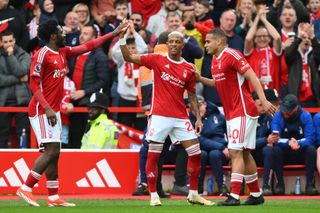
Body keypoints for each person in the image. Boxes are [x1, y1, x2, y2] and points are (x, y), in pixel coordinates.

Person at [16, 19, 127, 207]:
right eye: (61, 31)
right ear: (52, 36)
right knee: (50, 151)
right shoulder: (42, 55)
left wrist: (113, 34)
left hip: (54, 110)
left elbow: (88, 45)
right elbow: (33, 84)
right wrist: (48, 108)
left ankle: (53, 197)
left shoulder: (63, 52)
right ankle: (25, 188)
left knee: (55, 152)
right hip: (42, 110)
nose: (65, 33)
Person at [120, 26, 214, 206]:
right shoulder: (157, 59)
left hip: (180, 116)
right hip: (159, 115)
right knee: (153, 156)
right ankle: (154, 195)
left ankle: (193, 193)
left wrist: (198, 119)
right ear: (167, 44)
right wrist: (122, 39)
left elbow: (192, 95)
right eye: (170, 41)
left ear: (182, 46)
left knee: (196, 154)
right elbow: (129, 57)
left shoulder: (188, 68)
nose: (173, 44)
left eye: (177, 42)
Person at [197, 28, 277, 206]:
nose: (206, 45)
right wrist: (199, 78)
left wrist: (263, 100)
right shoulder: (215, 61)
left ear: (219, 41)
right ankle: (256, 194)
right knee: (245, 153)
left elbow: (252, 76)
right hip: (233, 112)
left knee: (235, 152)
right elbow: (219, 84)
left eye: (208, 41)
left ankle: (234, 196)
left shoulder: (232, 54)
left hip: (242, 110)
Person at [68, 25, 110, 148]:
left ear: (94, 37)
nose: (81, 35)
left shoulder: (99, 56)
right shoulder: (75, 53)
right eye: (81, 33)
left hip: (88, 103)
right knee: (73, 136)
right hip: (73, 102)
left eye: (86, 33)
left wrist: (84, 92)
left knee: (83, 136)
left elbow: (103, 80)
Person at [271, 94, 318, 195]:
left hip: (301, 150)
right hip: (285, 151)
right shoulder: (278, 116)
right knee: (275, 150)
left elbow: (310, 139)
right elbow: (275, 139)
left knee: (311, 150)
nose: (285, 112)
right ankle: (280, 184)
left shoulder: (305, 116)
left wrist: (298, 142)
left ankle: (310, 185)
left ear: (296, 108)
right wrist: (289, 142)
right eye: (284, 109)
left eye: (288, 110)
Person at [189, 96, 229, 195]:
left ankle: (222, 187)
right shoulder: (190, 120)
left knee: (214, 154)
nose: (196, 109)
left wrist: (230, 148)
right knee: (201, 154)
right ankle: (198, 187)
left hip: (220, 152)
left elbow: (230, 132)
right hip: (204, 148)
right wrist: (221, 147)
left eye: (199, 106)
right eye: (194, 107)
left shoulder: (218, 116)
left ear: (205, 104)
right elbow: (198, 139)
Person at [0, 30, 31, 148]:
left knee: (23, 134)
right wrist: (19, 79)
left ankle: (26, 162)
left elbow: (21, 71)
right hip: (3, 102)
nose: (9, 44)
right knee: (2, 136)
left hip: (22, 102)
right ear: (1, 43)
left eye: (11, 41)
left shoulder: (24, 55)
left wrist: (11, 56)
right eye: (5, 42)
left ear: (15, 40)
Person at [251, 89, 283, 195]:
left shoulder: (268, 117)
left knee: (273, 150)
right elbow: (248, 143)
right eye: (260, 105)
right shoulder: (247, 118)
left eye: (263, 104)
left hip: (264, 152)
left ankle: (269, 185)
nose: (263, 108)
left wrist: (272, 139)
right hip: (250, 153)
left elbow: (273, 134)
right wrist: (266, 140)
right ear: (253, 104)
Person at [244, 5, 282, 92]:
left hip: (272, 93)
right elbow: (248, 38)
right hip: (254, 94)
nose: (262, 39)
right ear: (255, 39)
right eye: (259, 36)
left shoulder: (274, 51)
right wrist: (257, 18)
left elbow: (277, 38)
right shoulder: (250, 52)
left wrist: (264, 20)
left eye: (264, 36)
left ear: (269, 38)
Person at [285, 22, 320, 107]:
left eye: (309, 38)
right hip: (296, 97)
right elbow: (288, 56)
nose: (307, 40)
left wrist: (313, 37)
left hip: (313, 98)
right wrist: (299, 38)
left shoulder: (313, 54)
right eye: (304, 37)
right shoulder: (294, 54)